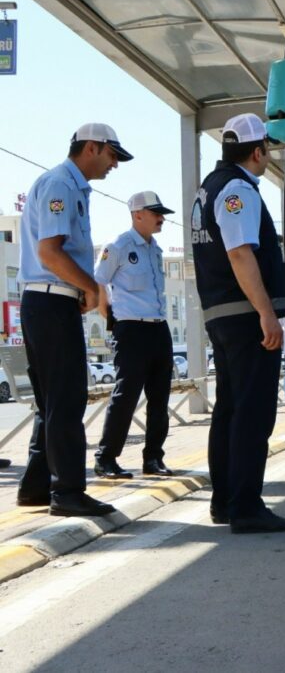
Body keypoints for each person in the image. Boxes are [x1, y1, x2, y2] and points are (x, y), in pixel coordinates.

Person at [15, 123, 133, 517]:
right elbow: (50, 254)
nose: (114, 164)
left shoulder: (70, 187)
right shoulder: (61, 186)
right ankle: (67, 492)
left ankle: (36, 486)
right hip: (51, 302)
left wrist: (83, 289)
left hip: (49, 302)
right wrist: (94, 289)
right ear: (92, 147)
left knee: (53, 401)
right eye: (112, 155)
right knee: (66, 399)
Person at [191, 112, 285, 534]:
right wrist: (266, 314)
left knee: (230, 411)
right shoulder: (238, 188)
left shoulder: (209, 188)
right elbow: (240, 253)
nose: (267, 156)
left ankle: (226, 502)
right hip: (244, 316)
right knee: (252, 413)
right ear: (257, 152)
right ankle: (246, 507)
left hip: (222, 315)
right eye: (267, 149)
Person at [92, 191, 176, 479]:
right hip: (131, 329)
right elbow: (98, 280)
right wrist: (110, 316)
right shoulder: (118, 245)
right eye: (156, 213)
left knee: (160, 398)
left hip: (158, 327)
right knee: (126, 396)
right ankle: (106, 459)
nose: (161, 218)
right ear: (137, 214)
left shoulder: (155, 250)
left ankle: (153, 458)